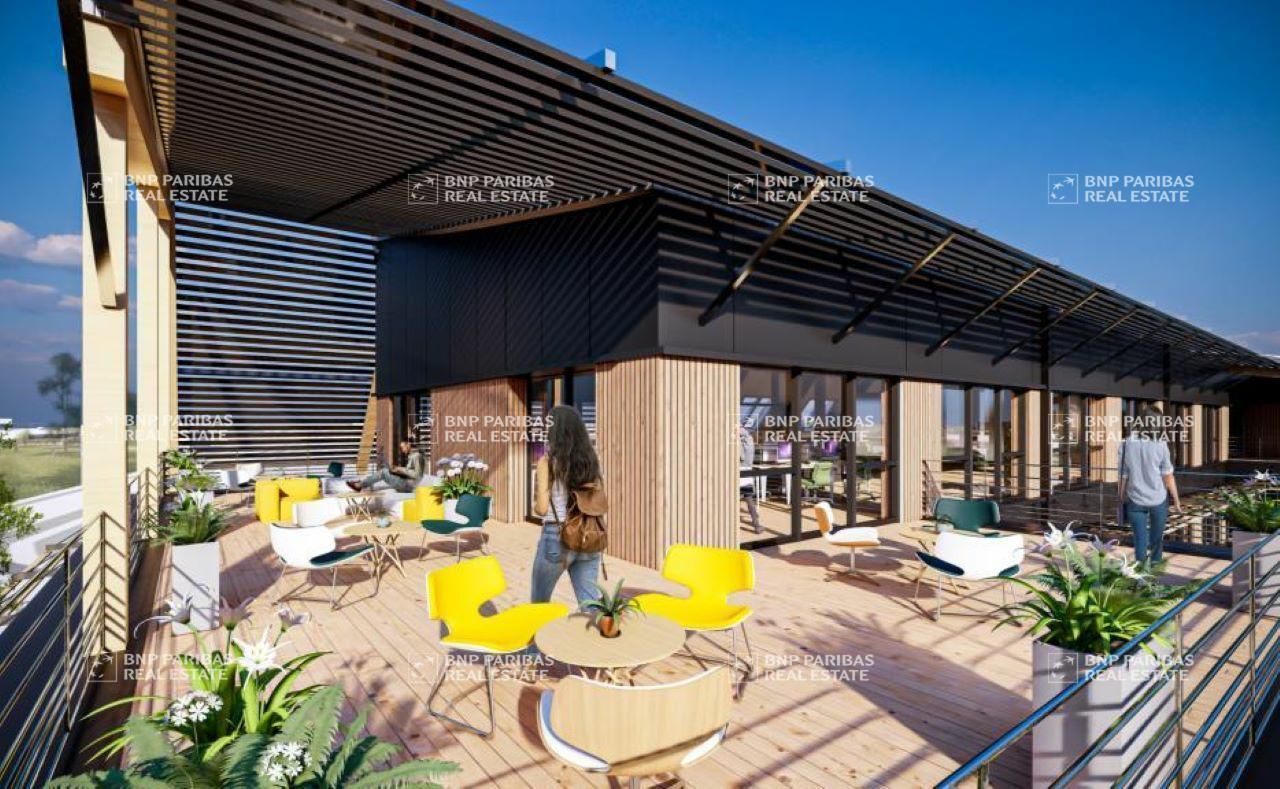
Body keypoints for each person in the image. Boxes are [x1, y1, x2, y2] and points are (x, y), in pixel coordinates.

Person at [532, 405, 605, 604]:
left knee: (539, 604)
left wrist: (536, 504)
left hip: (557, 535)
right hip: (589, 534)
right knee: (590, 603)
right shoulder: (592, 461)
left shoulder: (547, 462)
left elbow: (542, 509)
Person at [1118, 404, 1183, 564]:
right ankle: (1154, 572)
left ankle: (1141, 574)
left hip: (1135, 499)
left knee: (1139, 541)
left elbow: (1123, 473)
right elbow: (1168, 475)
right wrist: (1176, 500)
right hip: (1157, 500)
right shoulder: (1160, 444)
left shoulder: (1126, 443)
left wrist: (1120, 494)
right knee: (1156, 541)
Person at [351, 439, 425, 493]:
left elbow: (418, 475)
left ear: (408, 444)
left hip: (408, 485)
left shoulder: (417, 456)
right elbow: (410, 472)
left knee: (383, 472)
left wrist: (401, 469)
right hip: (406, 482)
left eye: (403, 447)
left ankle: (360, 485)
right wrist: (398, 471)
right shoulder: (413, 456)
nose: (402, 450)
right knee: (387, 470)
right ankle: (364, 484)